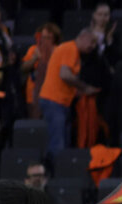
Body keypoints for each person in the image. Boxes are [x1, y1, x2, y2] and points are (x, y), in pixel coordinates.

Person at [38, 28, 100, 157]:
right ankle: (55, 173)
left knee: (64, 142)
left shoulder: (73, 51)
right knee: (58, 143)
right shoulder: (70, 48)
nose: (93, 47)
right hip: (54, 102)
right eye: (92, 42)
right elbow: (65, 75)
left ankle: (62, 170)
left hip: (60, 102)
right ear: (83, 38)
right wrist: (85, 87)